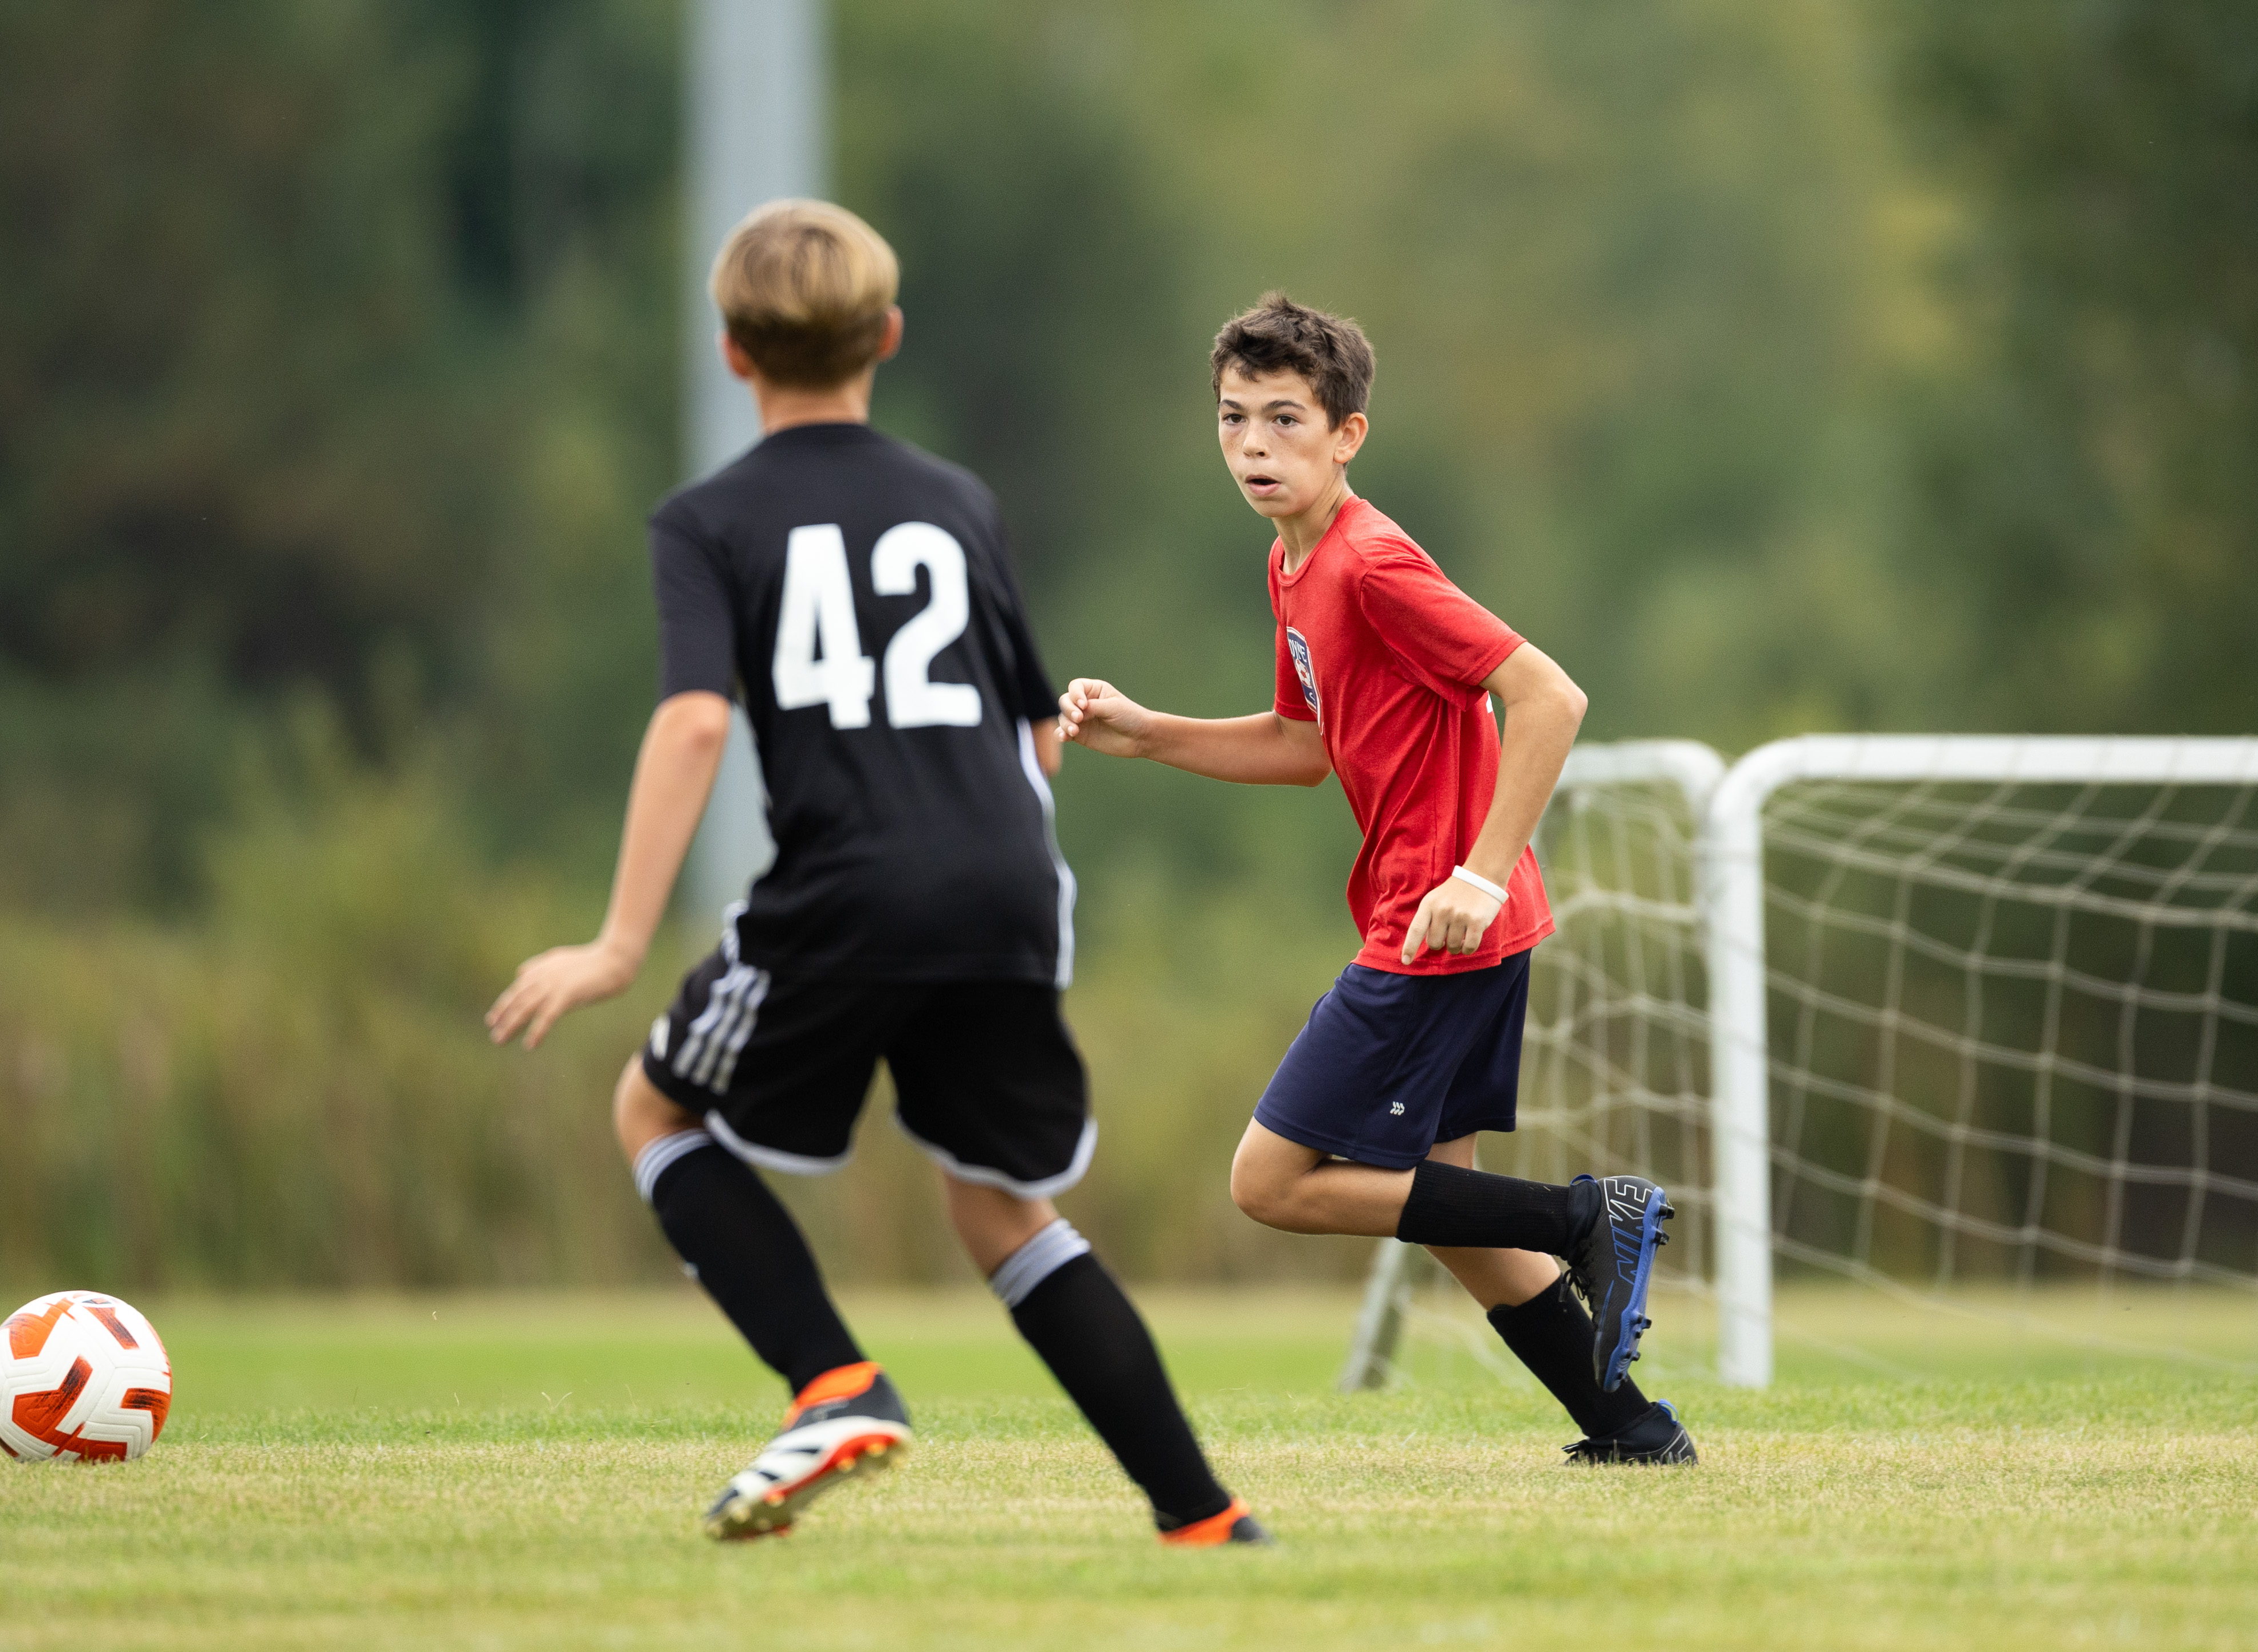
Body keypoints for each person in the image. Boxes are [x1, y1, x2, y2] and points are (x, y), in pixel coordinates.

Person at [486, 201, 1268, 1543]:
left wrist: (617, 942)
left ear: (733, 352)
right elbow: (1038, 731)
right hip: (1008, 882)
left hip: (852, 884)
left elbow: (693, 722)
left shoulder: (706, 520)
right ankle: (1204, 1516)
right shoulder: (958, 501)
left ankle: (835, 1384)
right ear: (887, 337)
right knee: (999, 1201)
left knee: (656, 1108)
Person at [1055, 294, 1693, 1465]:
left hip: (1439, 928)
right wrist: (1148, 734)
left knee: (1271, 1181)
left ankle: (1584, 1215)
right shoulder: (1292, 564)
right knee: (1443, 1206)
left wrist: (1479, 875)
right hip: (1456, 927)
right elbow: (1303, 745)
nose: (1253, 444)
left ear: (1347, 433)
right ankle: (1633, 1428)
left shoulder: (1370, 563)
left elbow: (1548, 696)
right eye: (1233, 417)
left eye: (1284, 419)